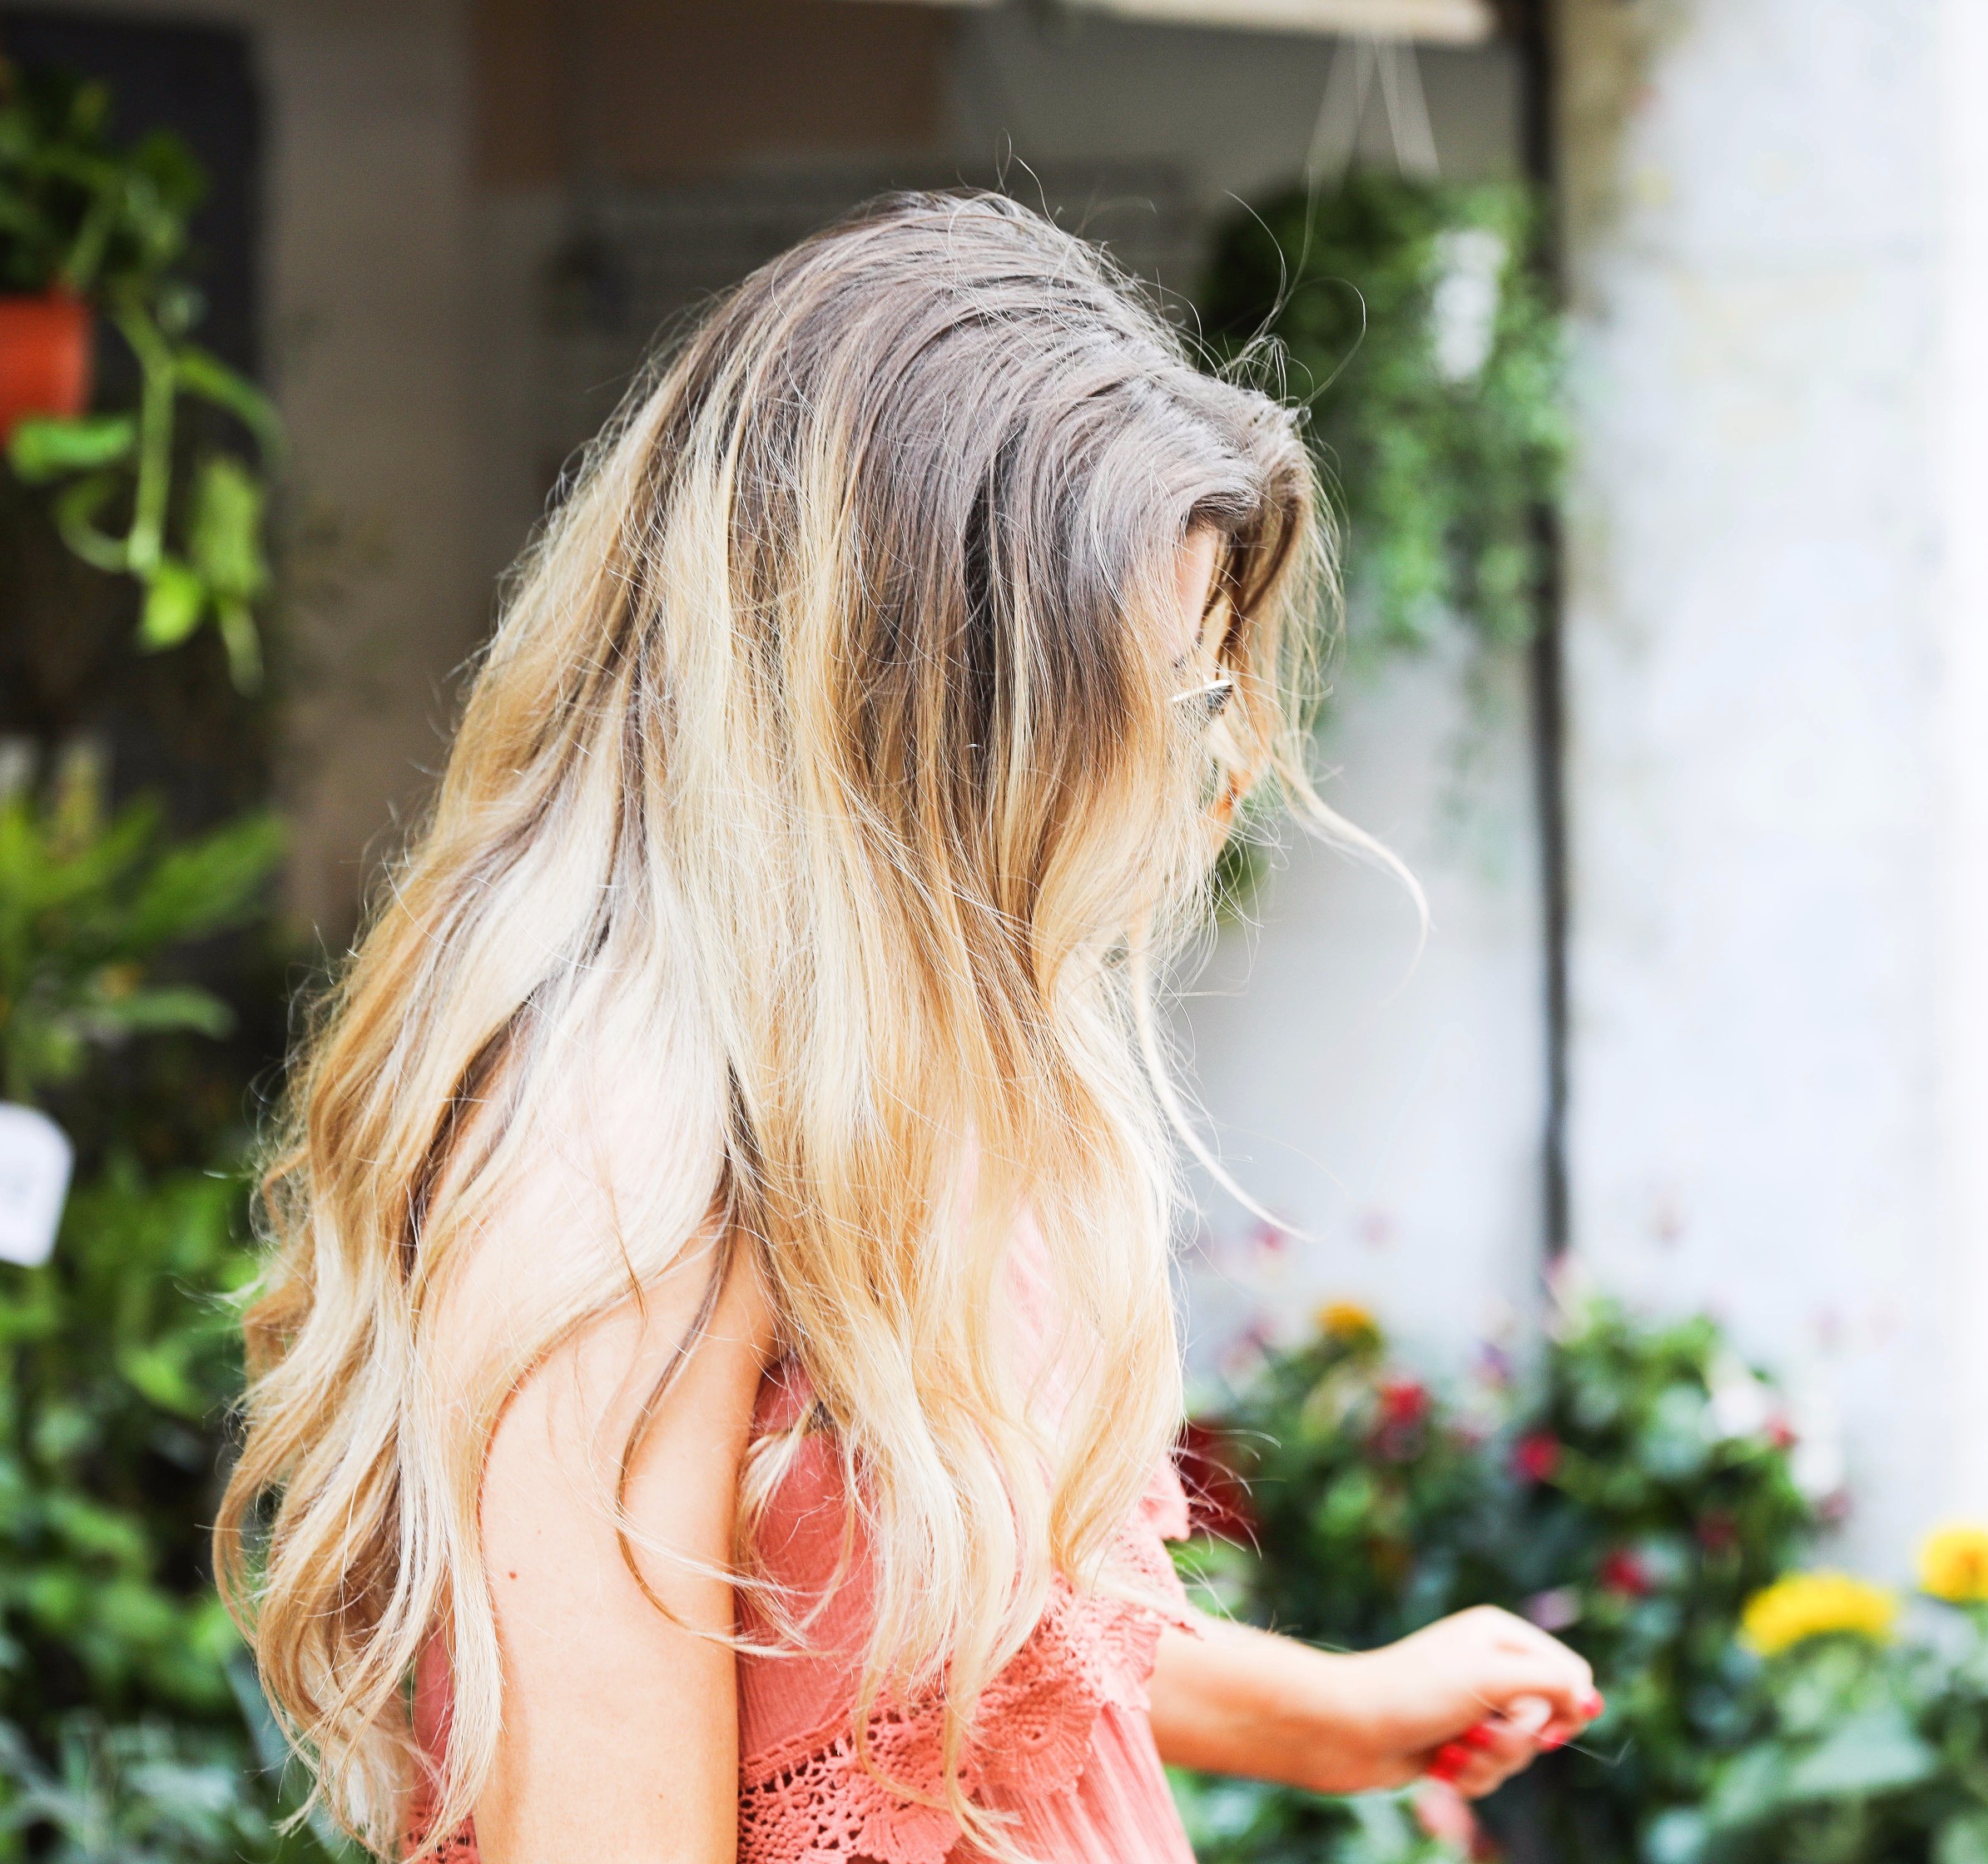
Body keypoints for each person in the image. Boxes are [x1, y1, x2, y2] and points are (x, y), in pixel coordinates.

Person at [219, 191, 1598, 1864]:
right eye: (1166, 699)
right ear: (925, 714)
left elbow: (931, 1621)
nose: (1220, 780)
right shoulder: (619, 1183)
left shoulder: (875, 1084)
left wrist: (1321, 1712)